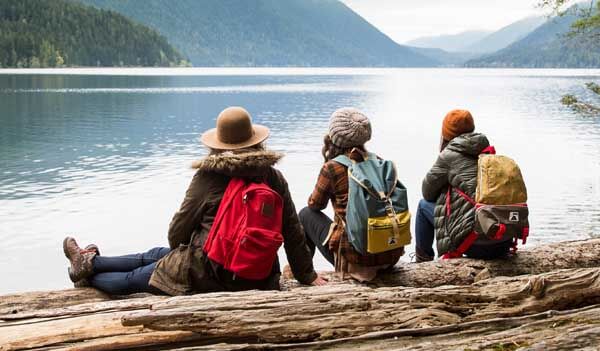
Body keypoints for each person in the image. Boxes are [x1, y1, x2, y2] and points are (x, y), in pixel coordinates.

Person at [63, 106, 326, 295]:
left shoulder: (209, 176)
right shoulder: (273, 177)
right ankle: (89, 262)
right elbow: (292, 231)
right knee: (155, 255)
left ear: (219, 144)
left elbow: (176, 233)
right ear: (255, 141)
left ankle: (87, 277)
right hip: (260, 275)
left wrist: (183, 252)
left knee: (135, 279)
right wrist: (307, 275)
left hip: (209, 273)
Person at [298, 108, 404, 283]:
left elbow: (315, 205)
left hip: (356, 260)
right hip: (389, 256)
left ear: (335, 136)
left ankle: (305, 273)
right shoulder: (379, 162)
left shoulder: (332, 167)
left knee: (305, 214)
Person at [414, 109, 513, 262]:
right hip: (503, 240)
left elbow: (427, 193)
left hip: (475, 244)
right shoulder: (487, 151)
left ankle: (423, 261)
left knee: (422, 206)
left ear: (446, 133)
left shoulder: (448, 156)